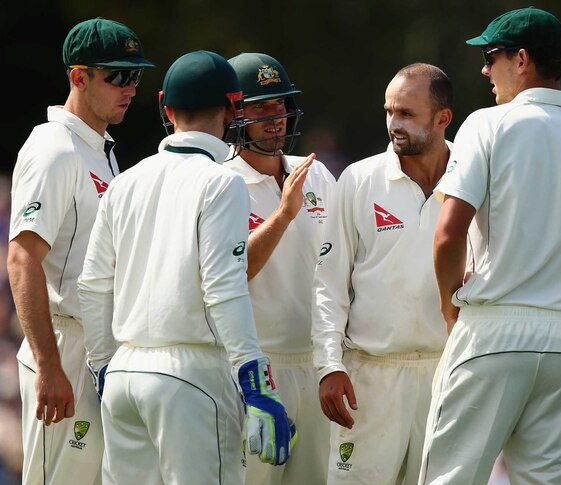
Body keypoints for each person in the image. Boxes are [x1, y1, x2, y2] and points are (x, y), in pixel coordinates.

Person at [420, 7, 561, 484]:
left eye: (492, 56)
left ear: (521, 59)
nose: (485, 69)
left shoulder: (487, 124)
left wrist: (448, 304)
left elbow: (448, 234)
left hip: (491, 332)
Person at [77, 50, 295, 484]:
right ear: (234, 106)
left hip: (124, 373)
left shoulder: (125, 182)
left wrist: (105, 370)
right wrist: (257, 386)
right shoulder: (222, 181)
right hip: (191, 379)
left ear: (166, 106)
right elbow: (223, 288)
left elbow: (93, 285)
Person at [7, 17, 154, 484]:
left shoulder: (98, 148)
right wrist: (50, 367)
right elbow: (21, 257)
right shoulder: (55, 148)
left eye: (136, 76)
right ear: (79, 76)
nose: (129, 88)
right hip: (63, 346)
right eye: (117, 76)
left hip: (95, 348)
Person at [312, 62, 453, 484]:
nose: (394, 124)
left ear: (443, 118)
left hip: (448, 375)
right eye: (390, 111)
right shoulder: (359, 179)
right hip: (370, 377)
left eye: (407, 114)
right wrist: (328, 365)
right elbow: (328, 282)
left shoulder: (476, 176)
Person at [225, 51, 336, 485]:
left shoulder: (319, 176)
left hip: (315, 367)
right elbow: (231, 272)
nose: (276, 119)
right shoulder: (221, 182)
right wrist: (284, 214)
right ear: (234, 113)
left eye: (281, 106)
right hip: (255, 372)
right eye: (260, 109)